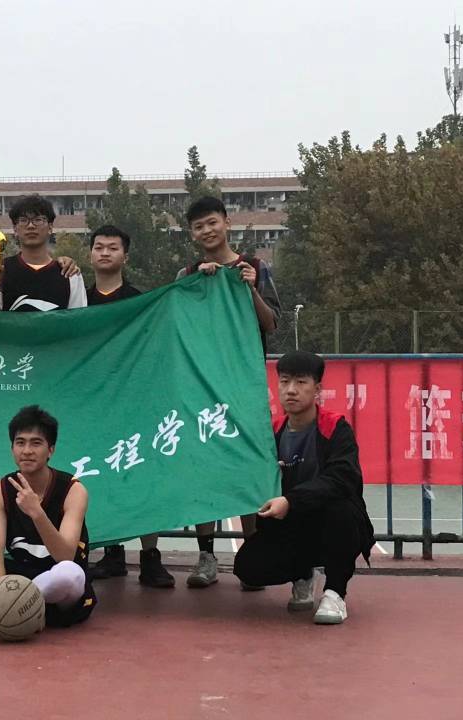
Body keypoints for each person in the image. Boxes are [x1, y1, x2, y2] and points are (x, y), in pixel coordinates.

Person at [176, 196, 282, 590]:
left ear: (226, 223)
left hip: (244, 387)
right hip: (202, 387)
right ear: (192, 234)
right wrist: (196, 288)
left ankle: (252, 556)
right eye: (198, 226)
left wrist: (250, 289)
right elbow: (178, 323)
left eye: (212, 222)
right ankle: (206, 556)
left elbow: (271, 324)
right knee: (205, 469)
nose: (207, 230)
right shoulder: (188, 273)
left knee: (247, 466)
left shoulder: (255, 267)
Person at [233, 351, 374, 624]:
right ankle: (302, 574)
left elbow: (342, 478)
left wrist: (291, 500)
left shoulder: (336, 428)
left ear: (317, 389)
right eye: (285, 381)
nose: (291, 390)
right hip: (291, 524)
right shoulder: (272, 432)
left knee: (342, 510)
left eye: (300, 382)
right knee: (248, 568)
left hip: (331, 520)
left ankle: (335, 592)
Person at [0, 406, 96, 628]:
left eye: (36, 443)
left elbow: (65, 555)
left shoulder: (73, 490)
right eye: (20, 443)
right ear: (12, 448)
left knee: (70, 574)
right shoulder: (0, 490)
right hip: (16, 578)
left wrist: (37, 513)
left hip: (56, 581)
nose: (27, 450)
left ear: (50, 450)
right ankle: (6, 607)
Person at [83, 225, 174, 588]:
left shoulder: (141, 301)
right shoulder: (78, 301)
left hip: (134, 403)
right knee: (100, 478)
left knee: (142, 477)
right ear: (90, 254)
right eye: (99, 247)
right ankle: (112, 553)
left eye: (112, 247)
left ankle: (151, 557)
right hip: (92, 405)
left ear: (125, 256)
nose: (105, 252)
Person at [0, 195, 87, 312]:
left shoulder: (69, 274)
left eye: (38, 220)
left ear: (50, 227)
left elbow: (78, 320)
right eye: (23, 220)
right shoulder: (1, 270)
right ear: (15, 229)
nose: (31, 226)